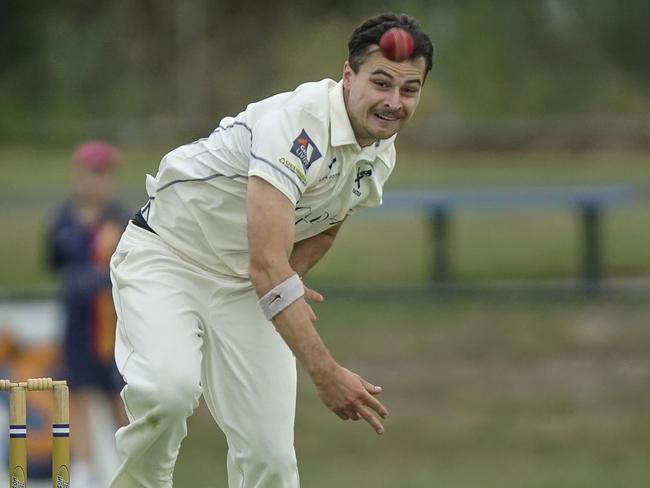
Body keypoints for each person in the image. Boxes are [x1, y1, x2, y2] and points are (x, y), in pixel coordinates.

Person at [109, 12, 434, 488]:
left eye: (409, 90)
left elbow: (328, 223)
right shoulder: (299, 123)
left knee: (272, 460)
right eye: (381, 82)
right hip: (169, 257)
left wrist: (293, 274)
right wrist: (325, 373)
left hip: (245, 286)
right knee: (167, 392)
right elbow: (265, 263)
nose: (393, 102)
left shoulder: (380, 152)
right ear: (348, 75)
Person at [46, 140, 130, 487]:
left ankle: (137, 471)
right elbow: (53, 264)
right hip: (78, 326)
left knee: (121, 404)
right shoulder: (63, 220)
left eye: (105, 173)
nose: (98, 180)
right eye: (93, 172)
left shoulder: (121, 219)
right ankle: (81, 474)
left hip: (113, 328)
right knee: (76, 398)